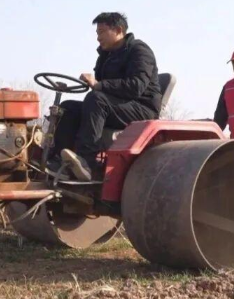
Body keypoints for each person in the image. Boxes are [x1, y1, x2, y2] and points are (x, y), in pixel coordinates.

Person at [49, 12, 162, 181]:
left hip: (142, 108)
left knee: (96, 99)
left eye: (101, 32)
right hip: (115, 106)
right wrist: (94, 85)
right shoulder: (105, 56)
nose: (98, 38)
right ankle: (59, 160)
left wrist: (98, 85)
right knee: (68, 107)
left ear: (118, 30)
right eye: (97, 33)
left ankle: (88, 162)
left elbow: (136, 86)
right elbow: (101, 88)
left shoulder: (139, 51)